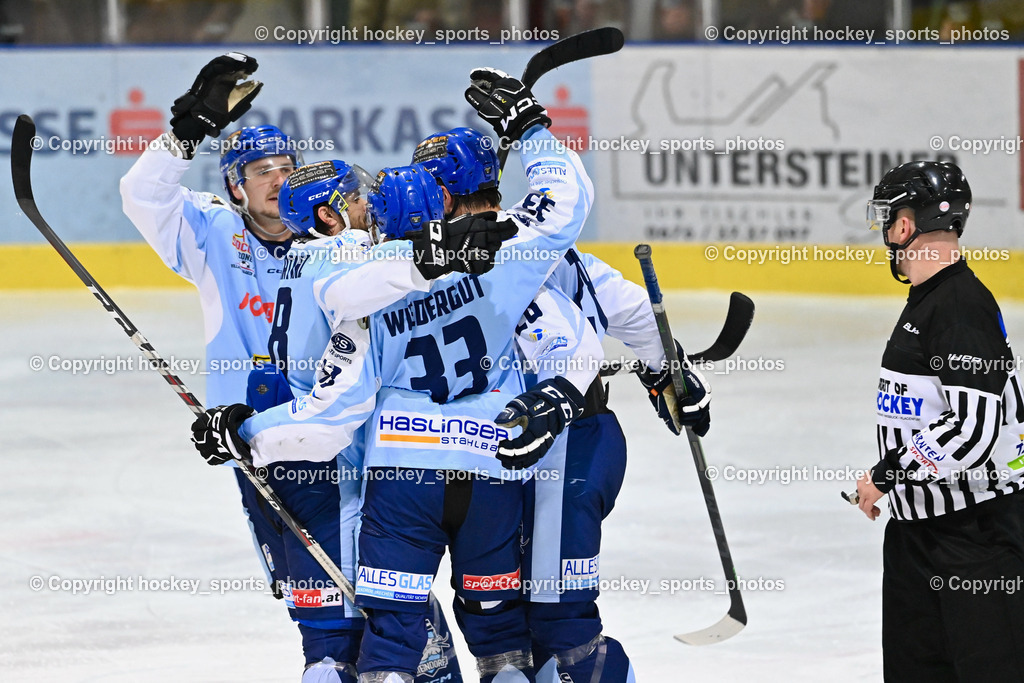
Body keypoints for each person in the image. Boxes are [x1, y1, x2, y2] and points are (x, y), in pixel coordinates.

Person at [192, 66, 598, 681]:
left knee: (378, 644)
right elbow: (565, 209)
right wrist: (534, 133)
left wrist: (247, 435)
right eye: (355, 198)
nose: (365, 204)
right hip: (483, 466)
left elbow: (333, 410)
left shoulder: (350, 285)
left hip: (384, 472)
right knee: (500, 639)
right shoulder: (488, 255)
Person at [124, 52, 508, 680]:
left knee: (375, 602)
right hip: (261, 440)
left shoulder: (343, 246)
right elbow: (142, 194)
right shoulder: (216, 235)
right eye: (260, 171)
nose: (277, 179)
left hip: (346, 438)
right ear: (234, 187)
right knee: (324, 607)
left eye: (286, 167)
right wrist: (187, 130)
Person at [413, 127, 712, 683]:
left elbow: (573, 343)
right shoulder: (538, 240)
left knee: (559, 622)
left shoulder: (491, 253)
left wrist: (664, 373)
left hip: (565, 445)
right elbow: (634, 311)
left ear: (444, 195)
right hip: (527, 448)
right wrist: (669, 372)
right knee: (504, 621)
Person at [855, 160, 1024, 681]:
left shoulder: (960, 306)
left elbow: (972, 432)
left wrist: (887, 473)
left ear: (906, 225)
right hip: (919, 537)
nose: (885, 231)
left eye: (887, 218)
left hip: (974, 539)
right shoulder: (930, 299)